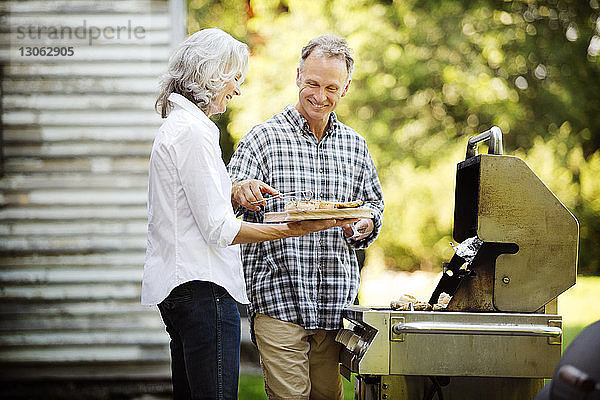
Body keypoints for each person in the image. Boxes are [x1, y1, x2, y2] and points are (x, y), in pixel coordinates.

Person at [141, 28, 353, 400]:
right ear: (212, 74)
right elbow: (219, 228)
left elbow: (200, 208)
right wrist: (291, 229)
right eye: (234, 78)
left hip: (183, 289)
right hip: (204, 292)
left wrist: (235, 191)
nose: (237, 89)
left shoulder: (178, 127)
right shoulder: (193, 132)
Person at [228, 34, 385, 400]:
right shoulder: (262, 138)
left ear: (345, 88)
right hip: (278, 298)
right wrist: (241, 190)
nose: (320, 96)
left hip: (334, 307)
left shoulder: (355, 145)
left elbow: (373, 207)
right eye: (312, 83)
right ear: (298, 75)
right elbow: (227, 197)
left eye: (331, 87)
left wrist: (363, 226)